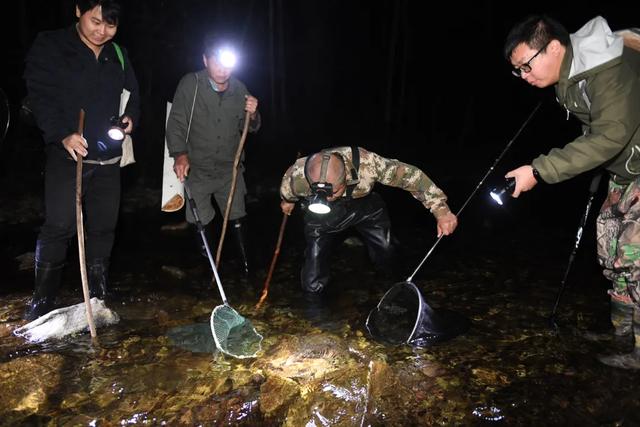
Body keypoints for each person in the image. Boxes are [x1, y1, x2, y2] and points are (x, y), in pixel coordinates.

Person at [504, 15, 640, 369]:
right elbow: (594, 132)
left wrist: (539, 170)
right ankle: (622, 334)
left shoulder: (607, 69)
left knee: (637, 260)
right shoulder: (569, 77)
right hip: (624, 172)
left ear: (553, 47)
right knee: (612, 253)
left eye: (526, 66)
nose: (524, 76)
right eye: (517, 71)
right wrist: (600, 165)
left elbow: (610, 134)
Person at [22, 0, 140, 321]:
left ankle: (99, 295)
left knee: (103, 229)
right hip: (68, 155)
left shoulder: (118, 54)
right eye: (96, 21)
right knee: (59, 226)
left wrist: (130, 119)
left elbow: (133, 95)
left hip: (108, 160)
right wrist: (62, 134)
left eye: (110, 25)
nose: (102, 31)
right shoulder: (51, 46)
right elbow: (40, 95)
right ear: (78, 10)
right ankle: (42, 301)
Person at [280, 146, 458, 295]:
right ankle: (314, 315)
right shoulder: (296, 177)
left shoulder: (368, 164)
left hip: (365, 208)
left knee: (387, 252)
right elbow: (287, 194)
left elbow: (411, 177)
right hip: (321, 215)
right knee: (312, 276)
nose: (329, 197)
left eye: (333, 191)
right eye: (321, 191)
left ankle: (396, 289)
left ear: (346, 179)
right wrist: (288, 202)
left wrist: (441, 211)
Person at [165, 34, 260, 275]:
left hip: (231, 170)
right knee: (200, 220)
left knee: (238, 215)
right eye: (216, 61)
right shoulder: (190, 84)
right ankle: (210, 272)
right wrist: (179, 154)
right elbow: (175, 123)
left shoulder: (240, 89)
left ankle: (247, 269)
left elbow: (252, 127)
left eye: (227, 62)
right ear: (205, 60)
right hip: (197, 169)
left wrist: (254, 113)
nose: (222, 68)